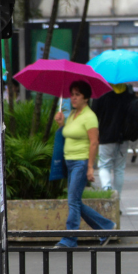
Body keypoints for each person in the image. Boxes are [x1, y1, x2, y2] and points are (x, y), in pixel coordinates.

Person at [53, 80, 116, 248]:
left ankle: (70, 238)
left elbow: (94, 142)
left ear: (86, 98)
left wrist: (90, 168)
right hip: (69, 162)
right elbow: (69, 134)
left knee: (73, 201)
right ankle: (106, 227)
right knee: (75, 201)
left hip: (80, 163)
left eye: (77, 95)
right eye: (72, 94)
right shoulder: (73, 114)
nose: (73, 98)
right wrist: (61, 124)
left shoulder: (90, 117)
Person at [91, 83, 136, 197]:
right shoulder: (128, 92)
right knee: (119, 169)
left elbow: (94, 114)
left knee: (104, 166)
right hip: (123, 137)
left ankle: (108, 194)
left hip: (106, 136)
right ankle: (117, 201)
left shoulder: (102, 92)